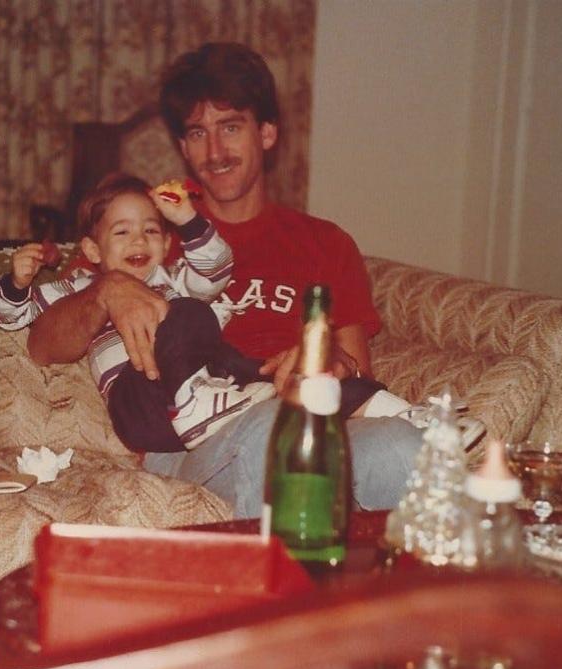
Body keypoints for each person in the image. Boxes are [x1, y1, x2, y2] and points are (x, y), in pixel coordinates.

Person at [27, 42, 428, 518]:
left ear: (267, 133)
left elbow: (357, 368)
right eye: (197, 133)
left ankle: (377, 590)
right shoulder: (145, 239)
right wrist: (106, 291)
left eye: (231, 127)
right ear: (182, 146)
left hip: (300, 421)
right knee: (275, 435)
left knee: (406, 447)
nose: (214, 152)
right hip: (191, 440)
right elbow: (42, 345)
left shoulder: (325, 243)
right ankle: (277, 585)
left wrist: (323, 360)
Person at [0, 172, 276, 452]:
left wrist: (188, 221)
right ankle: (192, 404)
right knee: (190, 311)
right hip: (138, 403)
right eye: (122, 232)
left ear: (166, 244)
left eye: (150, 230)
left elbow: (216, 270)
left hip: (194, 417)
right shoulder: (80, 289)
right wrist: (17, 283)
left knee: (202, 321)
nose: (138, 240)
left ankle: (236, 389)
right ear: (92, 250)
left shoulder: (173, 280)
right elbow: (15, 316)